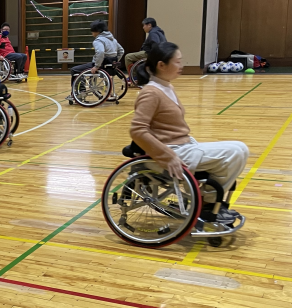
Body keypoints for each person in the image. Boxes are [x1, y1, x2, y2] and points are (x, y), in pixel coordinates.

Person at [131, 42, 248, 222]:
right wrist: (167, 156)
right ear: (161, 65)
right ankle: (207, 204)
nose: (182, 66)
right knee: (234, 153)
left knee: (240, 148)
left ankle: (205, 201)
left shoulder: (166, 87)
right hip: (171, 152)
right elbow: (137, 131)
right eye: (177, 62)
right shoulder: (151, 93)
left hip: (184, 146)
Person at [68, 20, 124, 100]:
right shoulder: (113, 40)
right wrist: (113, 61)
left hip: (101, 66)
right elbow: (121, 51)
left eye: (92, 31)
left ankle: (80, 93)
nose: (92, 34)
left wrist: (97, 66)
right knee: (83, 68)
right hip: (110, 67)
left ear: (97, 31)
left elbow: (100, 52)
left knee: (74, 70)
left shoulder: (99, 40)